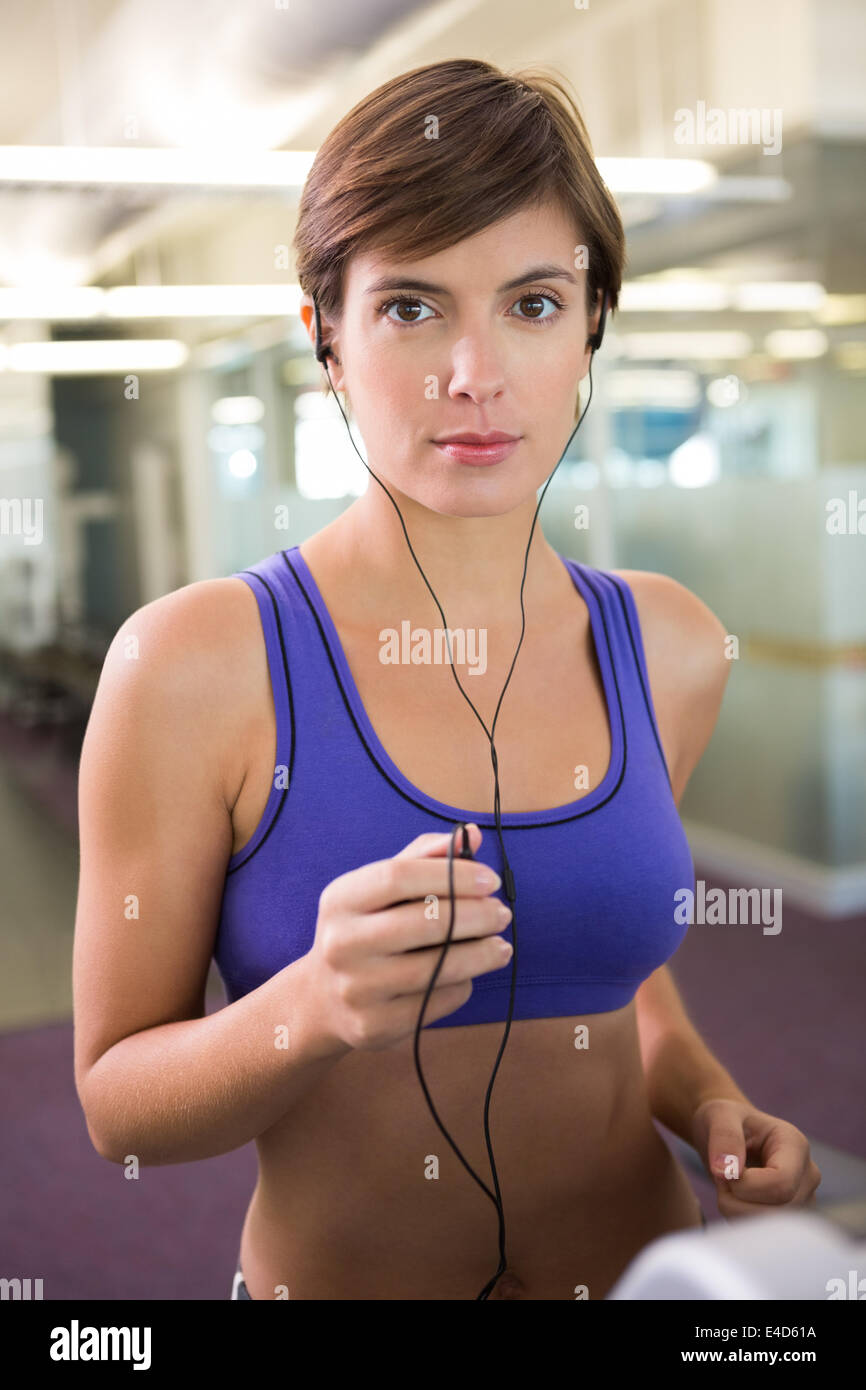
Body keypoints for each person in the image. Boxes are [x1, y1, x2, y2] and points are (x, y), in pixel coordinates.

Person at [72, 58, 821, 1302]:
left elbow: (624, 986)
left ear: (589, 325)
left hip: (647, 1278)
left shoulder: (670, 645)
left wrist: (711, 1103)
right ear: (324, 334)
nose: (472, 372)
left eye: (531, 303)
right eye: (412, 308)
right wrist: (308, 1007)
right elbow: (116, 1110)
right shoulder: (195, 664)